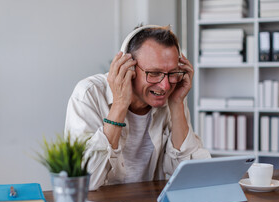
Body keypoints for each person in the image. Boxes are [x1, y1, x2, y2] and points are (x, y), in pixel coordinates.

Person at [65, 25, 210, 190]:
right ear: (128, 68)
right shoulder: (88, 94)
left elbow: (193, 175)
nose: (164, 86)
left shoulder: (172, 94)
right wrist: (120, 104)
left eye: (172, 73)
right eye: (154, 73)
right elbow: (82, 182)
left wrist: (177, 104)